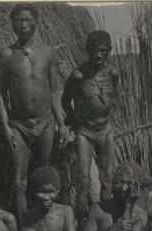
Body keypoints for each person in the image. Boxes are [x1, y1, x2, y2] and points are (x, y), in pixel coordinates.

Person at [0, 4, 67, 223]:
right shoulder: (6, 55)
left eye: (28, 20)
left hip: (45, 123)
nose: (24, 24)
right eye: (19, 20)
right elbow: (0, 93)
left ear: (36, 22)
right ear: (12, 24)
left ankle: (44, 225)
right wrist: (6, 127)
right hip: (19, 125)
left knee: (43, 177)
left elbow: (55, 90)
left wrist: (61, 123)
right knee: (20, 181)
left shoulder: (48, 52)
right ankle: (23, 228)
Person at [61, 30, 118, 218]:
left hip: (105, 129)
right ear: (88, 51)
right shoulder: (78, 76)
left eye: (103, 51)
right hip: (84, 132)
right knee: (84, 180)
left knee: (107, 177)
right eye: (94, 51)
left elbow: (112, 97)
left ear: (109, 50)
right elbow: (64, 101)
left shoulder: (113, 74)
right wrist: (74, 120)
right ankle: (81, 221)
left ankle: (106, 218)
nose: (98, 55)